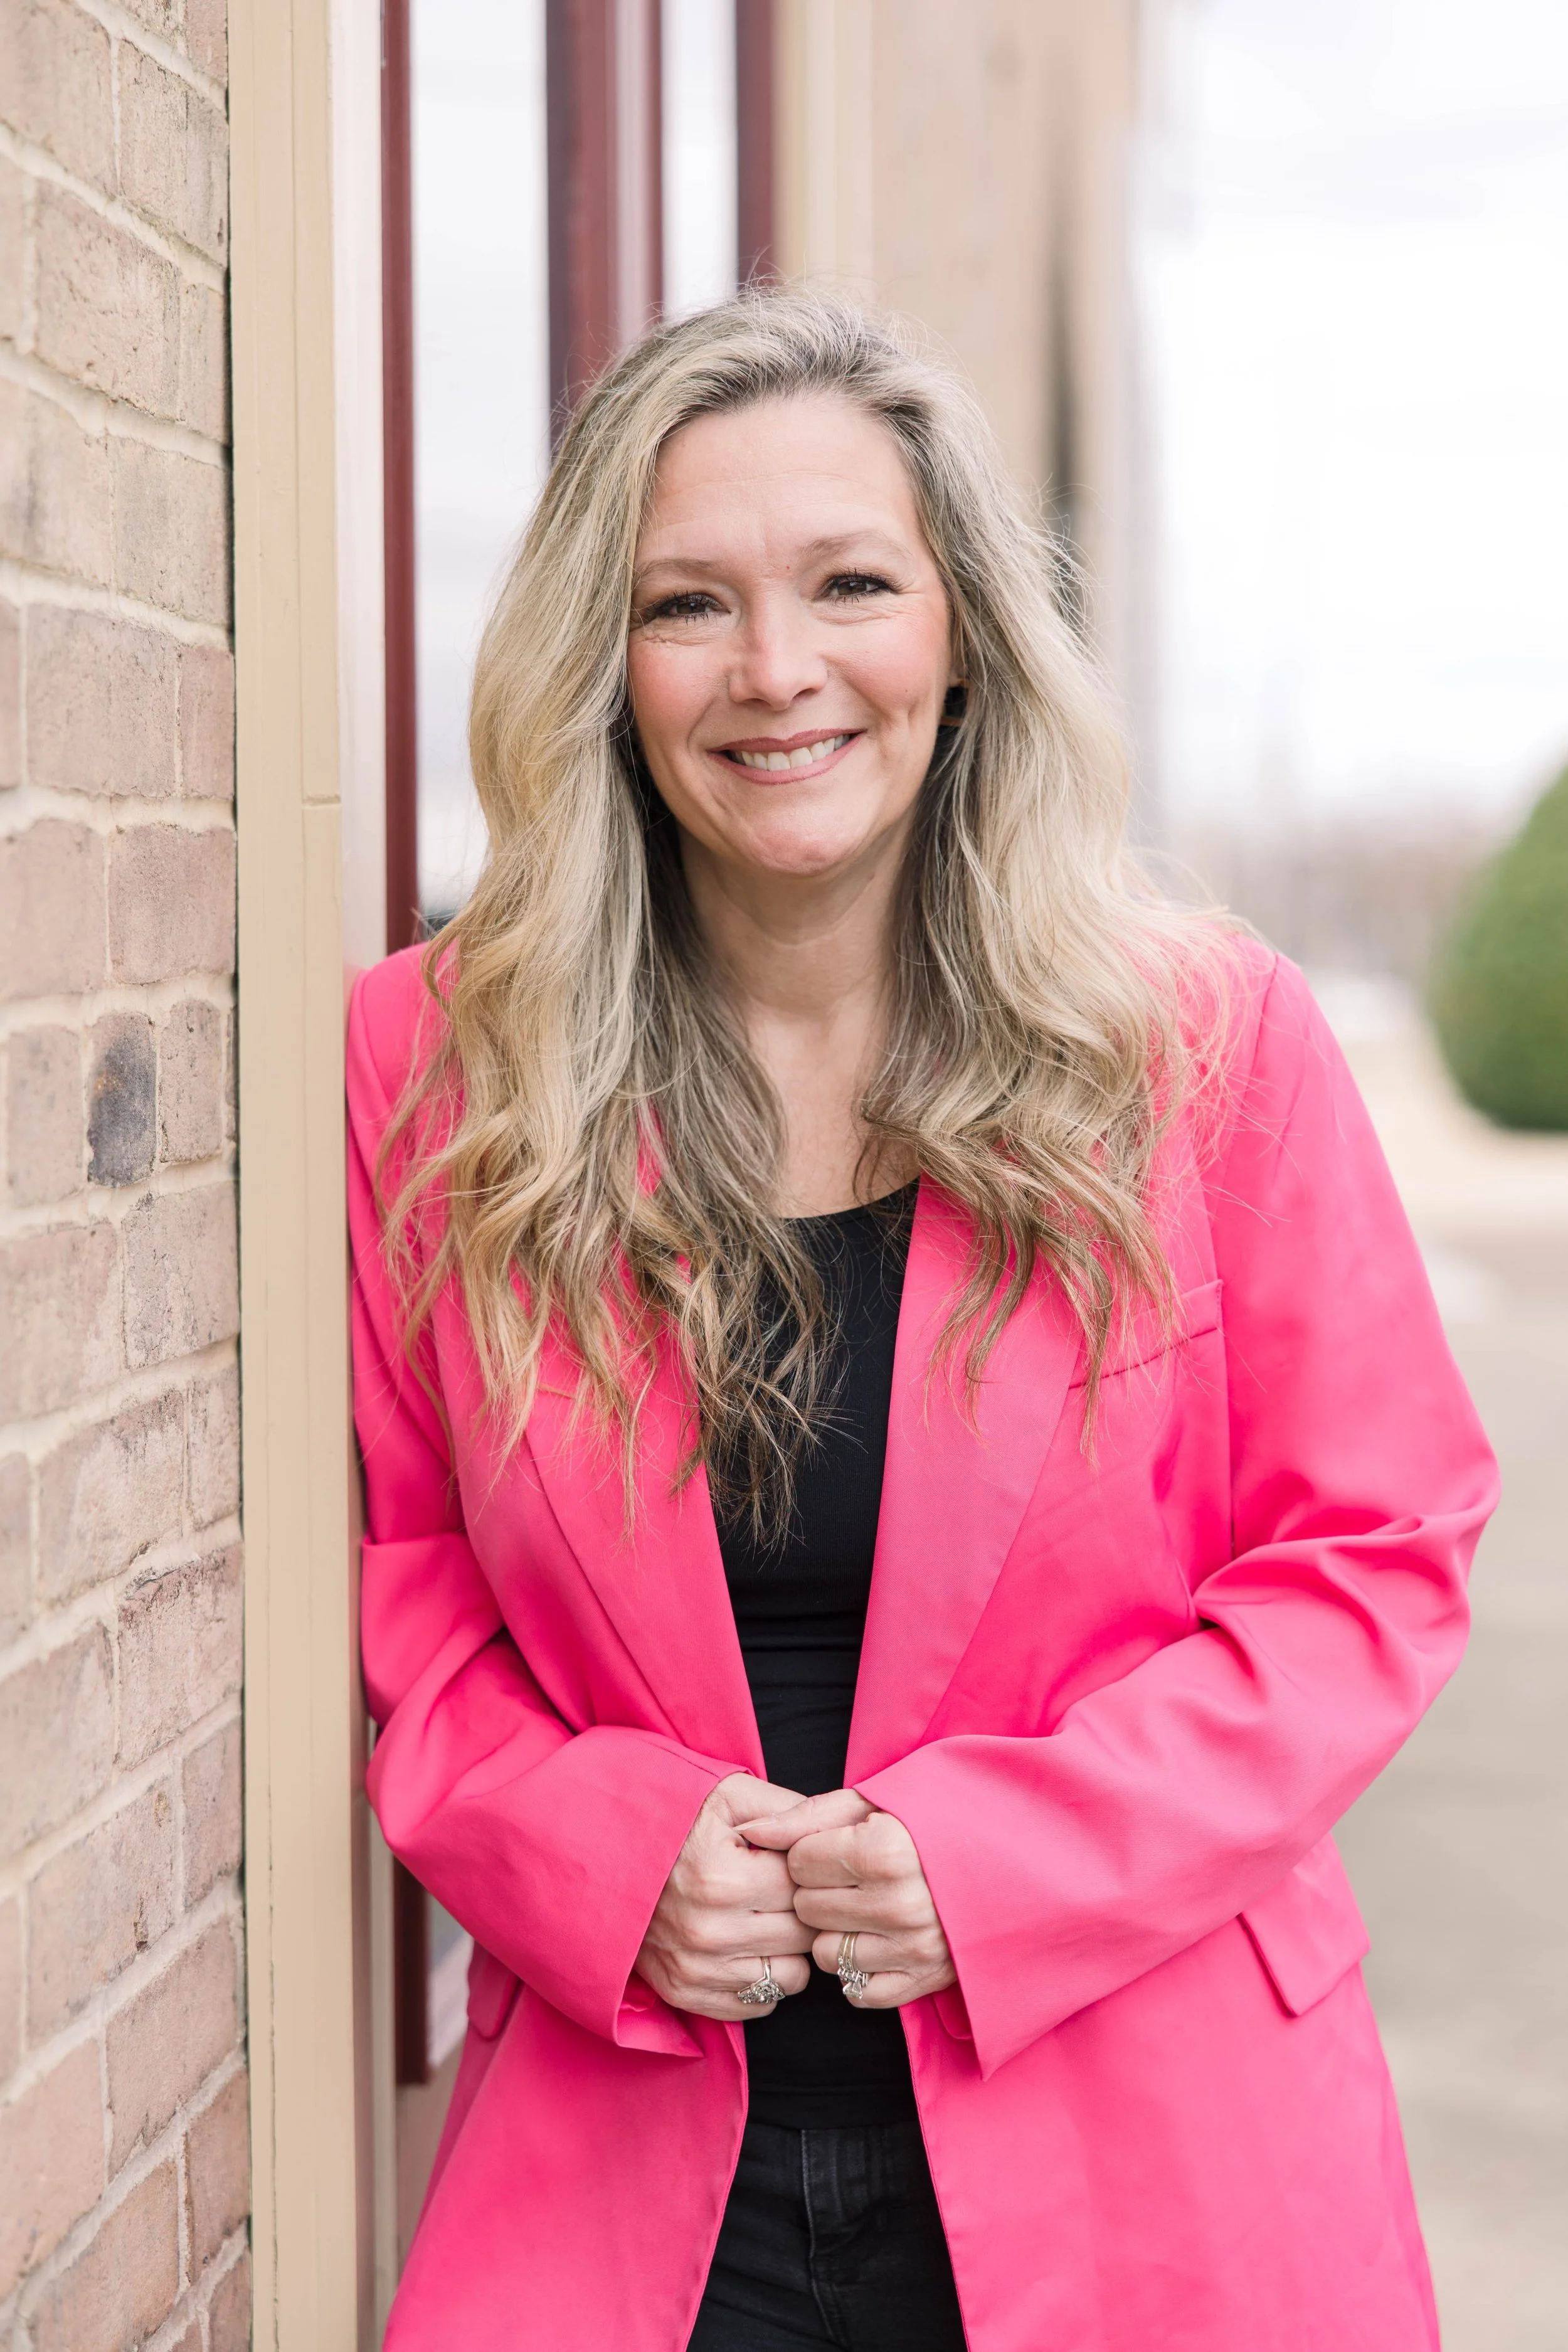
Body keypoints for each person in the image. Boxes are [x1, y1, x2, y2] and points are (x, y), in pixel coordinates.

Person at [346, 290, 1496, 2352]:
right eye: (686, 601)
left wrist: (992, 1859)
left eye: (848, 584)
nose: (776, 670)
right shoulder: (436, 1070)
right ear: (600, 665)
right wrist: (599, 1858)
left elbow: (1367, 1561)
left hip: (1147, 2130)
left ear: (959, 626)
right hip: (634, 2159)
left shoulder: (1205, 1046)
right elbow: (409, 1583)